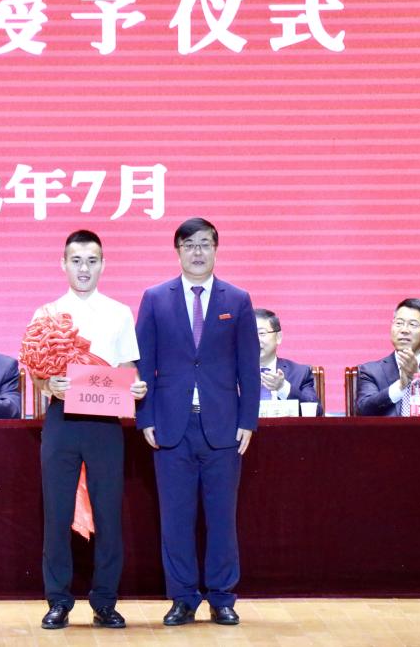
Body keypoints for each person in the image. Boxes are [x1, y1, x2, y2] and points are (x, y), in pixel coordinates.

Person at [135, 217, 259, 627]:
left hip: (223, 427)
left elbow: (249, 367)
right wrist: (145, 416)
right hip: (171, 427)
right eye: (189, 245)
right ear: (178, 251)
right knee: (176, 519)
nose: (197, 252)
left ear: (216, 249)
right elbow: (144, 363)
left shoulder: (237, 299)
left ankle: (222, 597)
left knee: (222, 518)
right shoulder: (155, 298)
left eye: (205, 243)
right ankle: (183, 598)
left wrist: (248, 420)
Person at [31, 230, 147, 630]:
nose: (84, 268)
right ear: (63, 264)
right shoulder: (47, 314)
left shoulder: (119, 313)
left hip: (104, 423)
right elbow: (36, 373)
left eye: (92, 261)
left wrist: (137, 387)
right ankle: (58, 601)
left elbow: (129, 369)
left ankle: (105, 601)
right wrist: (49, 384)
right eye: (76, 260)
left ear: (103, 265)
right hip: (62, 421)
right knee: (57, 513)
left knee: (108, 514)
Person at [355, 298, 420, 416]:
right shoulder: (370, 371)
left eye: (413, 324)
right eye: (399, 323)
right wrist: (400, 386)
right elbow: (363, 410)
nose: (404, 330)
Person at [254, 308, 321, 416]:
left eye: (261, 333)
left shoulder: (300, 373)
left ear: (278, 337)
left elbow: (315, 412)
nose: (255, 340)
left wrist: (282, 388)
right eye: (249, 334)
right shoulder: (231, 374)